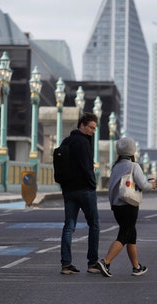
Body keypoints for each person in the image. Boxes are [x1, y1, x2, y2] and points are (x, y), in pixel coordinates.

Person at [96, 137, 157, 277]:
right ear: (133, 151)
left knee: (131, 235)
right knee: (124, 236)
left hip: (116, 206)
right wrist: (152, 184)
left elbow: (111, 188)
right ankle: (106, 261)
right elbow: (143, 185)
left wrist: (113, 204)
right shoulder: (133, 166)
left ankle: (136, 267)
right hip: (129, 205)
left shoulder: (115, 167)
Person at [59, 112, 101, 275]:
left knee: (69, 226)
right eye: (90, 127)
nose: (92, 131)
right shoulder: (83, 142)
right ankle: (92, 263)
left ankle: (66, 265)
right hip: (84, 190)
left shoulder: (66, 141)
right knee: (94, 225)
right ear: (82, 125)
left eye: (94, 128)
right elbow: (86, 167)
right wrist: (93, 184)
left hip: (69, 190)